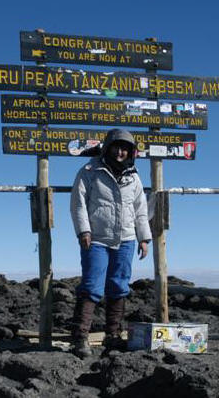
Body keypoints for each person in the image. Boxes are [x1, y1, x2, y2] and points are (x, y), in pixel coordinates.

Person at [69, 128, 152, 358]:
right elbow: (78, 203)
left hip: (125, 240)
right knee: (92, 287)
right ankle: (80, 338)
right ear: (107, 148)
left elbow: (140, 210)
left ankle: (112, 336)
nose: (120, 152)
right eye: (117, 147)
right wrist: (83, 230)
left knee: (119, 286)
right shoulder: (89, 171)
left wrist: (144, 238)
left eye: (125, 148)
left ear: (131, 152)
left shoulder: (133, 176)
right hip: (96, 239)